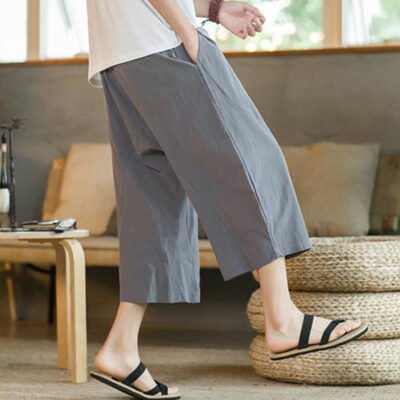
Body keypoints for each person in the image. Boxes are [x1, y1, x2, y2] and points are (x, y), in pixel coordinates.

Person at [86, 1, 368, 398]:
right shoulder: (174, 37)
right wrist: (188, 32)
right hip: (164, 43)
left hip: (119, 54)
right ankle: (282, 318)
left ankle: (121, 345)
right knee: (253, 158)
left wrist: (213, 9)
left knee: (155, 195)